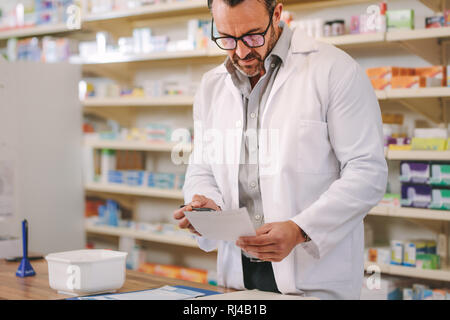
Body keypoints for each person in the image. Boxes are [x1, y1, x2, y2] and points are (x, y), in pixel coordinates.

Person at [173, 0, 388, 299]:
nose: (241, 52)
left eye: (252, 36)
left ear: (277, 14)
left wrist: (301, 229)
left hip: (312, 276)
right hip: (237, 277)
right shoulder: (212, 86)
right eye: (227, 38)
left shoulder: (335, 71)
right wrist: (206, 207)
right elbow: (203, 166)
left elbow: (368, 172)